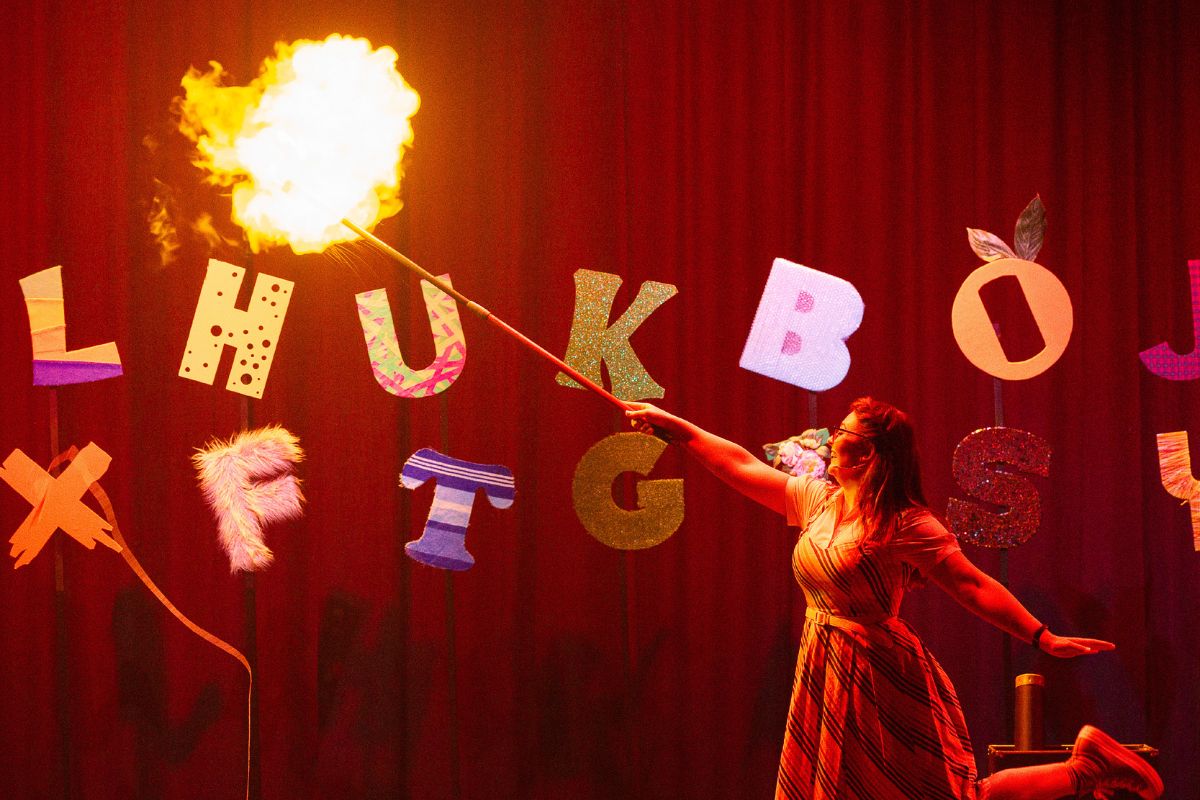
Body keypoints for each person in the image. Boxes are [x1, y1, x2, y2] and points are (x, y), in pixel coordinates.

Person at [626, 397, 1163, 800]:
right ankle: (1089, 766)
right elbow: (741, 466)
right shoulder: (819, 503)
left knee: (949, 793)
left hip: (880, 670)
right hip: (827, 665)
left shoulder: (907, 523)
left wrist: (1042, 636)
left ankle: (1087, 768)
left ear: (870, 452)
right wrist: (676, 428)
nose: (833, 437)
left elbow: (973, 585)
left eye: (844, 431)